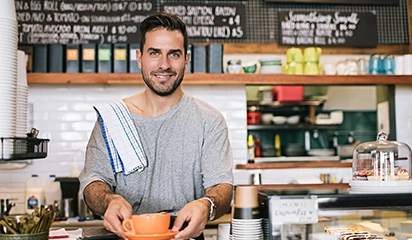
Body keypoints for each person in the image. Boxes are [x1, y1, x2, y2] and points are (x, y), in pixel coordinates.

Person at [78, 11, 234, 240]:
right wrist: (109, 200)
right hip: (124, 236)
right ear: (139, 57)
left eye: (174, 54)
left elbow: (222, 186)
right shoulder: (112, 119)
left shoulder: (209, 120)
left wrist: (206, 204)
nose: (164, 65)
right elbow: (93, 181)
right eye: (154, 53)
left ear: (186, 60)